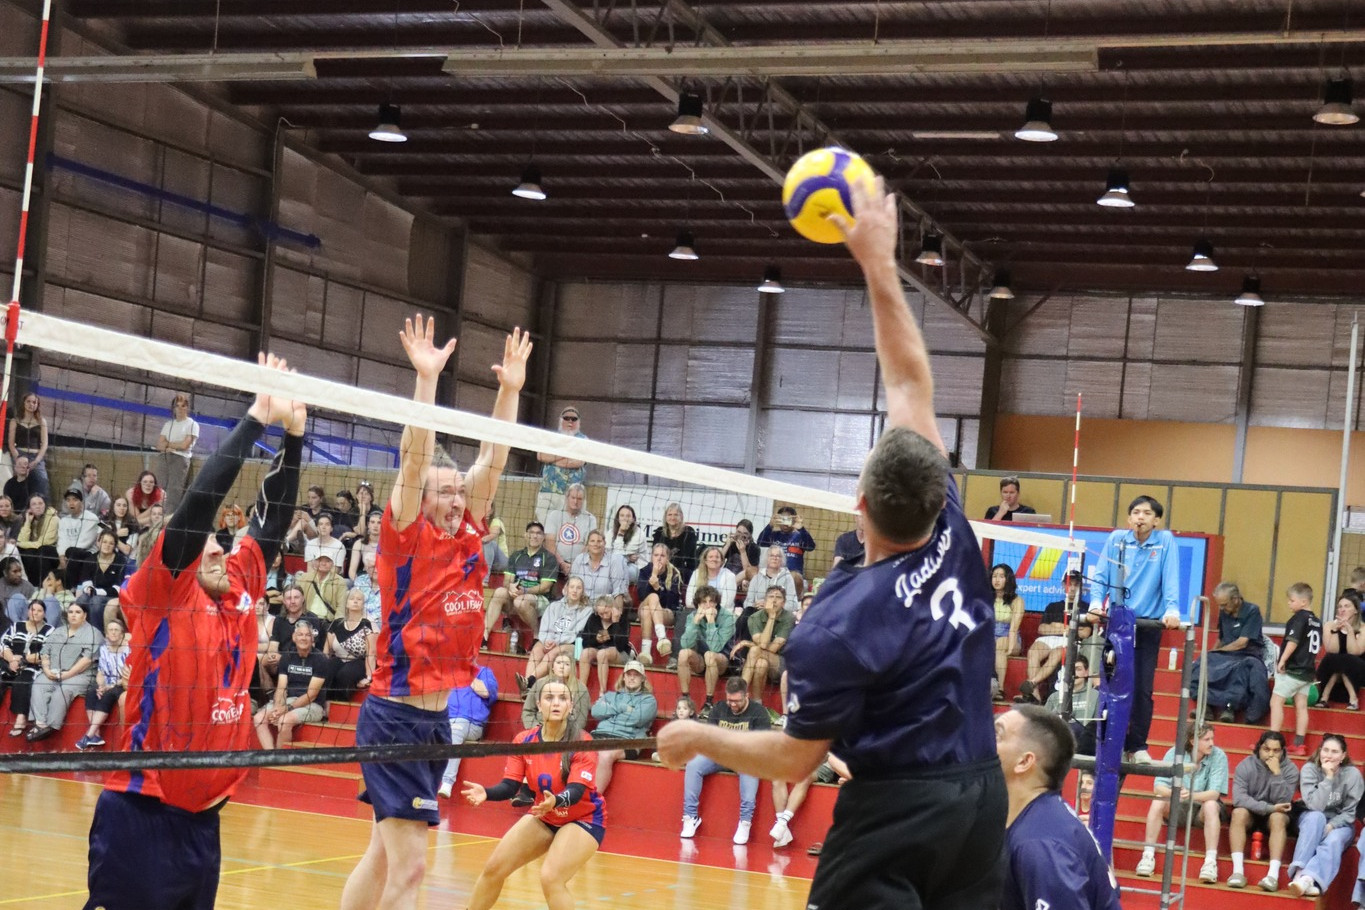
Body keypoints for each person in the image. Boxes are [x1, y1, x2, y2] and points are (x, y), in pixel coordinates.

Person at [658, 176, 1007, 910]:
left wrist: (697, 734)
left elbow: (796, 755)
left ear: (857, 505)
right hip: (978, 797)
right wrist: (879, 263)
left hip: (895, 812)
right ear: (935, 488)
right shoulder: (950, 527)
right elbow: (911, 381)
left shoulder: (836, 623)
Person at [82, 355, 304, 910]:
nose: (216, 547)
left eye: (220, 543)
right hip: (144, 813)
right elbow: (197, 508)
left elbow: (272, 520)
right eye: (203, 543)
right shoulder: (165, 594)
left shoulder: (241, 582)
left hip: (205, 823)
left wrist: (294, 437)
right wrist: (255, 418)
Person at [339, 319, 531, 910]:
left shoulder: (469, 530)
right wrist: (427, 382)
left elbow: (493, 460)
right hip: (394, 717)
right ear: (419, 500)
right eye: (443, 491)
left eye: (458, 491)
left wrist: (510, 391)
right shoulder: (404, 539)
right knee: (413, 869)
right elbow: (414, 456)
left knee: (380, 857)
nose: (455, 498)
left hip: (436, 723)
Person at [461, 679, 605, 910]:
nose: (555, 703)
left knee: (551, 878)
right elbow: (510, 786)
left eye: (562, 698)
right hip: (545, 816)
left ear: (571, 707)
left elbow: (576, 792)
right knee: (493, 869)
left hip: (583, 819)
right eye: (549, 698)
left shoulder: (582, 741)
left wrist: (555, 801)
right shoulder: (524, 740)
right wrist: (486, 793)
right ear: (538, 704)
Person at [995, 704, 1120, 910]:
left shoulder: (1040, 844)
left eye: (998, 735)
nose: (985, 744)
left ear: (1024, 761)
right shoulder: (1040, 815)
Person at [1092, 494, 1183, 763]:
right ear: (1129, 518)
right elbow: (1100, 575)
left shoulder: (1165, 541)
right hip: (1117, 624)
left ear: (1156, 520)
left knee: (1142, 688)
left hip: (1147, 627)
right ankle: (1107, 740)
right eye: (1135, 512)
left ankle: (1137, 745)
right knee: (1111, 685)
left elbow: (1171, 578)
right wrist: (1096, 602)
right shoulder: (1117, 539)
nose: (1140, 517)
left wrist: (1172, 609)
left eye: (1146, 513)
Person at [678, 676, 772, 845]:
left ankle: (745, 822)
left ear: (746, 696)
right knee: (693, 764)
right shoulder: (719, 709)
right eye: (730, 700)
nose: (733, 704)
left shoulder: (759, 713)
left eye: (737, 701)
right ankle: (690, 817)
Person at [1134, 724, 1229, 883]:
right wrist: (1175, 793)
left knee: (1212, 804)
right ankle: (1148, 856)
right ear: (1193, 741)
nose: (1212, 743)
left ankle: (1210, 862)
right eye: (1207, 739)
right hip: (1177, 806)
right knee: (1158, 799)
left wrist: (1191, 795)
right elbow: (1158, 786)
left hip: (1201, 810)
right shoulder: (1174, 753)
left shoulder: (1219, 756)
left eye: (1212, 738)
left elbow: (1214, 793)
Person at [1288, 733, 1362, 898]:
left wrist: (1332, 825)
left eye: (1335, 752)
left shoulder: (1352, 775)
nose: (1329, 755)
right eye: (1326, 750)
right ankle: (1299, 872)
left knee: (1334, 839)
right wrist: (1328, 778)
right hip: (1310, 817)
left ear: (1343, 755)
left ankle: (1309, 878)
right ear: (1320, 751)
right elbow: (1315, 806)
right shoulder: (1310, 769)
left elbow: (1350, 812)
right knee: (1316, 817)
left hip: (1341, 823)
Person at [1227, 730, 1298, 891]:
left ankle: (1272, 876)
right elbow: (1239, 799)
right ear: (1259, 748)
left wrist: (1277, 773)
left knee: (1278, 817)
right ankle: (1237, 872)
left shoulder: (1291, 770)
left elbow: (1284, 802)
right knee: (1238, 813)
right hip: (1253, 813)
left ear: (1283, 751)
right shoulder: (1245, 766)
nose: (1271, 755)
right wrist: (1268, 807)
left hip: (1276, 815)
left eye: (1276, 751)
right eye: (1267, 749)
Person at [26, 600, 102, 741]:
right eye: (71, 612)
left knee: (64, 689)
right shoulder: (59, 631)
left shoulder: (93, 633)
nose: (73, 615)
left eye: (78, 612)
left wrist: (67, 675)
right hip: (54, 671)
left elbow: (86, 661)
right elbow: (45, 652)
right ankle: (40, 724)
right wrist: (47, 670)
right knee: (38, 684)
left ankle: (51, 725)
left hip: (82, 675)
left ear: (85, 615)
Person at [254, 620, 328, 749]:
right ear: (294, 638)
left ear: (312, 639)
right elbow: (281, 687)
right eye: (300, 635)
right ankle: (270, 756)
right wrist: (277, 707)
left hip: (313, 704)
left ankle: (281, 760)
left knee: (284, 721)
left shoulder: (320, 659)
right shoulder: (287, 656)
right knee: (258, 719)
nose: (303, 638)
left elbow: (311, 695)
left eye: (307, 635)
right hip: (289, 700)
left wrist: (286, 709)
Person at [484, 520, 557, 647]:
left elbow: (545, 587)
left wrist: (525, 591)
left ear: (543, 537)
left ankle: (536, 635)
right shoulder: (516, 556)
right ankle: (484, 636)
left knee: (521, 601)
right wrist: (510, 587)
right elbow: (507, 580)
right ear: (525, 535)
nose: (534, 536)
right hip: (517, 595)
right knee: (499, 592)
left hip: (540, 600)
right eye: (531, 532)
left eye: (538, 533)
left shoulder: (549, 558)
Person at [1017, 569, 1085, 704]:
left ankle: (1032, 682)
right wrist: (1068, 628)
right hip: (1050, 639)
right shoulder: (1053, 606)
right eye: (1068, 584)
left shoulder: (1084, 608)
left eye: (1075, 584)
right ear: (1063, 585)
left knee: (1057, 653)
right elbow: (1042, 628)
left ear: (1080, 587)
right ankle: (1035, 697)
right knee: (1033, 652)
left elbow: (1084, 632)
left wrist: (1057, 626)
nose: (1071, 588)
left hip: (1069, 641)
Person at [589, 659, 657, 792]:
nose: (632, 678)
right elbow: (596, 711)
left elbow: (637, 719)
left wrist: (610, 711)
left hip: (627, 740)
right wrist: (624, 708)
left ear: (642, 678)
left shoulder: (649, 700)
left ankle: (594, 800)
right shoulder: (610, 695)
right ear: (624, 677)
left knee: (605, 755)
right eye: (629, 674)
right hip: (599, 736)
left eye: (636, 675)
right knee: (568, 745)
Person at [1271, 582, 1322, 757]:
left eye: (1292, 600)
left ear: (1303, 602)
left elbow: (1293, 641)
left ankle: (1272, 741)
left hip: (1294, 669)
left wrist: (1282, 660)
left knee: (1276, 702)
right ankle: (1299, 744)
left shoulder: (1298, 619)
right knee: (1301, 706)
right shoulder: (1317, 621)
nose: (1289, 603)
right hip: (1308, 671)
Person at [519, 576, 593, 693]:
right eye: (572, 587)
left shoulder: (587, 610)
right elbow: (545, 627)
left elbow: (576, 633)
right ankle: (527, 688)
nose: (574, 590)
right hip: (552, 640)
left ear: (582, 592)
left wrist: (556, 642)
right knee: (537, 649)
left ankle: (530, 680)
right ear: (566, 589)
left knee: (554, 652)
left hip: (576, 645)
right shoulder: (554, 606)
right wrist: (547, 640)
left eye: (578, 588)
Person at [437, 662, 498, 799]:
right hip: (444, 721)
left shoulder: (485, 672)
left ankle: (447, 782)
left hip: (471, 725)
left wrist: (467, 674)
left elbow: (486, 692)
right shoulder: (447, 672)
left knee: (457, 728)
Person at [677, 584, 737, 714]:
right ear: (698, 604)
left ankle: (709, 702)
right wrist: (695, 622)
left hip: (722, 661)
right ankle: (685, 699)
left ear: (716, 603)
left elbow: (715, 648)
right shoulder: (692, 616)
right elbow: (685, 644)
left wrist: (710, 622)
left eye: (711, 601)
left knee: (710, 655)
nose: (708, 605)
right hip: (701, 660)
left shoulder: (727, 617)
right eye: (704, 602)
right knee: (683, 654)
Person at [733, 583, 794, 703]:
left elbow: (771, 649)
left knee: (755, 650)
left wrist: (771, 617)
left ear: (784, 602)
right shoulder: (754, 617)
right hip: (762, 659)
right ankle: (757, 703)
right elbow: (763, 645)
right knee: (761, 664)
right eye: (771, 597)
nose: (774, 601)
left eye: (779, 597)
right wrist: (771, 617)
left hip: (782, 664)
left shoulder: (789, 618)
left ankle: (740, 693)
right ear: (765, 600)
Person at [0, 598, 49, 735]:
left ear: (44, 614)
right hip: (10, 662)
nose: (36, 613)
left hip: (33, 665)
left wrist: (23, 660)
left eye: (40, 611)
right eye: (33, 610)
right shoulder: (16, 626)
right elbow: (3, 644)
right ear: (28, 611)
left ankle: (21, 718)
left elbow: (47, 653)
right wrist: (11, 659)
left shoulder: (49, 631)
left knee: (22, 680)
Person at [636, 542, 685, 666]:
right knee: (651, 598)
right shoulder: (645, 571)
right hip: (645, 605)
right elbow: (641, 595)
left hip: (666, 612)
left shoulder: (674, 574)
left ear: (668, 558)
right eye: (656, 555)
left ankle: (645, 653)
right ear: (651, 557)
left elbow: (671, 603)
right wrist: (653, 576)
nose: (658, 558)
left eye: (662, 556)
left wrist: (659, 587)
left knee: (648, 610)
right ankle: (662, 638)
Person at [535, 407, 588, 521]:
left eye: (573, 419)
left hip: (571, 496)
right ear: (560, 420)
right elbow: (541, 456)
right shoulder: (550, 436)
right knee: (544, 527)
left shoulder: (583, 439)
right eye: (566, 418)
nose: (570, 421)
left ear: (578, 422)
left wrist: (553, 457)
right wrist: (566, 453)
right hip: (547, 491)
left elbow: (579, 462)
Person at [1318, 589, 1365, 709]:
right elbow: (1331, 650)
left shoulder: (1363, 628)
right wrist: (1335, 631)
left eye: (1347, 606)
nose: (1342, 610)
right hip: (1332, 669)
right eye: (1340, 607)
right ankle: (1353, 699)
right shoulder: (1329, 625)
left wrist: (1349, 631)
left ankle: (1324, 697)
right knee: (1334, 659)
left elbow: (1355, 652)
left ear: (1355, 610)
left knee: (1345, 659)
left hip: (1358, 670)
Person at [325, 588, 375, 700]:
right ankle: (325, 704)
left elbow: (371, 653)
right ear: (346, 603)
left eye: (359, 599)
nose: (355, 601)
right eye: (352, 599)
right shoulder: (337, 623)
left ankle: (340, 706)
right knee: (327, 670)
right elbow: (326, 651)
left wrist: (369, 677)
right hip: (338, 659)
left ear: (363, 604)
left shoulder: (366, 624)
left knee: (344, 675)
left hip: (358, 662)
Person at [1044, 655, 1100, 755]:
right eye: (1070, 669)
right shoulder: (1054, 697)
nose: (1074, 673)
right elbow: (1044, 725)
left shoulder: (1096, 695)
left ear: (1086, 673)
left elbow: (1097, 726)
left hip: (1084, 743)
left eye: (1078, 669)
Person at [577, 594, 632, 693]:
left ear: (613, 609)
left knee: (602, 653)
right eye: (601, 614)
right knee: (585, 653)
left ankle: (602, 691)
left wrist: (615, 622)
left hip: (619, 653)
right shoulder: (594, 618)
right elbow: (585, 643)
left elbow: (621, 646)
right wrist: (596, 640)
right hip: (598, 649)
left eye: (606, 612)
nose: (604, 616)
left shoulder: (622, 619)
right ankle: (581, 690)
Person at [758, 505, 817, 596]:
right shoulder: (773, 535)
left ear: (794, 520)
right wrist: (770, 525)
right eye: (782, 519)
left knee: (794, 576)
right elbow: (760, 543)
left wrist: (801, 528)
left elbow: (811, 547)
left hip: (794, 577)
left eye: (788, 519)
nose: (785, 523)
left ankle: (793, 603)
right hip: (774, 575)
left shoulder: (799, 535)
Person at [155, 392, 199, 512]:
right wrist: (172, 446)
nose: (180, 409)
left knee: (174, 491)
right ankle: (156, 514)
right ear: (173, 408)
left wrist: (168, 445)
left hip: (180, 459)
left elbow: (185, 445)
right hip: (164, 457)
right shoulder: (168, 424)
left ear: (187, 408)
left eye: (183, 406)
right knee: (159, 487)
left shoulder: (192, 424)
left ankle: (169, 518)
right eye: (177, 406)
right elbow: (159, 444)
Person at [544, 483, 597, 578]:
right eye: (573, 498)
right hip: (555, 563)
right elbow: (549, 544)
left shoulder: (590, 519)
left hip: (581, 564)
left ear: (584, 500)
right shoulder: (554, 515)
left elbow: (589, 545)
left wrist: (575, 565)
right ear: (567, 497)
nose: (576, 501)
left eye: (579, 499)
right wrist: (562, 563)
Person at [991, 563, 1025, 700]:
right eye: (994, 576)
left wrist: (1010, 648)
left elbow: (1014, 628)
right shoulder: (986, 598)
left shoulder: (1017, 601)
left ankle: (999, 689)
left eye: (1001, 576)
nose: (997, 580)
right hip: (989, 634)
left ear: (1008, 579)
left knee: (999, 645)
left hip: (1010, 636)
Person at [8, 392, 49, 500]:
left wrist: (37, 460)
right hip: (20, 454)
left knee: (42, 481)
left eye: (34, 402)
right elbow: (11, 443)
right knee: (18, 482)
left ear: (37, 404)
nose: (31, 404)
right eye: (29, 402)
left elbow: (44, 444)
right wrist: (18, 458)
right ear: (24, 403)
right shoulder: (15, 420)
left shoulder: (42, 421)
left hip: (36, 456)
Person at [652, 502, 699, 581]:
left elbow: (684, 556)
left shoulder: (689, 532)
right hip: (662, 568)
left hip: (683, 570)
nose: (672, 517)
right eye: (670, 515)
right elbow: (655, 553)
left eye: (676, 515)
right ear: (665, 517)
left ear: (681, 516)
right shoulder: (659, 532)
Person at [605, 503, 649, 570]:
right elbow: (607, 554)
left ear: (633, 519)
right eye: (622, 515)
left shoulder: (639, 534)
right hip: (616, 565)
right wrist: (628, 558)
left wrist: (621, 532)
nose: (625, 518)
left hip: (637, 567)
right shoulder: (610, 532)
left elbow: (618, 555)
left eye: (628, 516)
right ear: (618, 518)